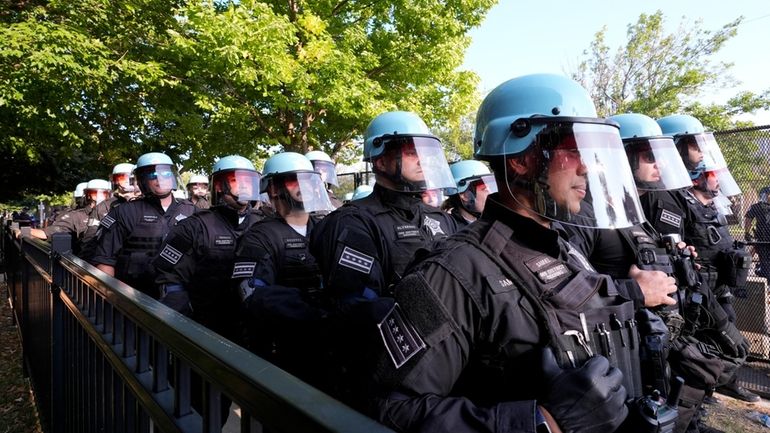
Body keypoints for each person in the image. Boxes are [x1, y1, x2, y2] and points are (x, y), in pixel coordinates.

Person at [363, 74, 648, 433]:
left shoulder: (565, 246)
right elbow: (391, 408)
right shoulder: (453, 272)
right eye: (572, 150)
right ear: (522, 160)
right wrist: (542, 424)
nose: (587, 166)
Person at [566, 113, 734, 433]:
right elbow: (569, 284)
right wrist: (629, 288)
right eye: (647, 156)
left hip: (652, 333)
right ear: (620, 157)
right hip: (615, 341)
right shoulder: (586, 211)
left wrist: (675, 255)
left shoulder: (633, 207)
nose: (658, 165)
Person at [309, 110, 459, 402]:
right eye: (410, 150)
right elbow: (359, 306)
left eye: (424, 152)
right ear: (380, 160)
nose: (422, 159)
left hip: (447, 363)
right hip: (386, 376)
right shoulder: (354, 221)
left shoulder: (440, 218)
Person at [644, 114, 758, 407]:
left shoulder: (687, 195)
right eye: (695, 145)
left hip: (711, 286)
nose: (701, 152)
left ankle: (705, 393)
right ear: (677, 148)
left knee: (726, 336)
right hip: (689, 289)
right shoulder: (666, 197)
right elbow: (670, 250)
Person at [232, 152, 334, 386]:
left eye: (307, 180)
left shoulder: (325, 229)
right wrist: (315, 309)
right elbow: (251, 292)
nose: (303, 187)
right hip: (284, 349)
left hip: (327, 346)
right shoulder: (259, 236)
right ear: (274, 188)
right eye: (293, 181)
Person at [91, 152, 196, 298]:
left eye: (165, 173)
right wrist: (113, 299)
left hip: (182, 298)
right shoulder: (124, 212)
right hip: (135, 296)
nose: (160, 179)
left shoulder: (191, 211)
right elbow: (105, 261)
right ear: (142, 180)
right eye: (152, 175)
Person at [28, 179, 112, 261]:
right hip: (86, 264)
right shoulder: (76, 216)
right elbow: (49, 232)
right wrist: (25, 231)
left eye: (104, 193)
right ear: (87, 195)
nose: (98, 197)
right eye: (93, 193)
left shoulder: (116, 213)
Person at [445, 159, 498, 226]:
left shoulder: (492, 223)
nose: (491, 192)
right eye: (485, 189)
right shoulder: (452, 231)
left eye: (491, 187)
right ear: (465, 195)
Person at [743, 187, 770, 278]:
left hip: (762, 238)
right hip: (761, 237)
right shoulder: (757, 206)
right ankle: (743, 268)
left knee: (757, 251)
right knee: (756, 251)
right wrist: (747, 232)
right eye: (767, 194)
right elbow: (748, 219)